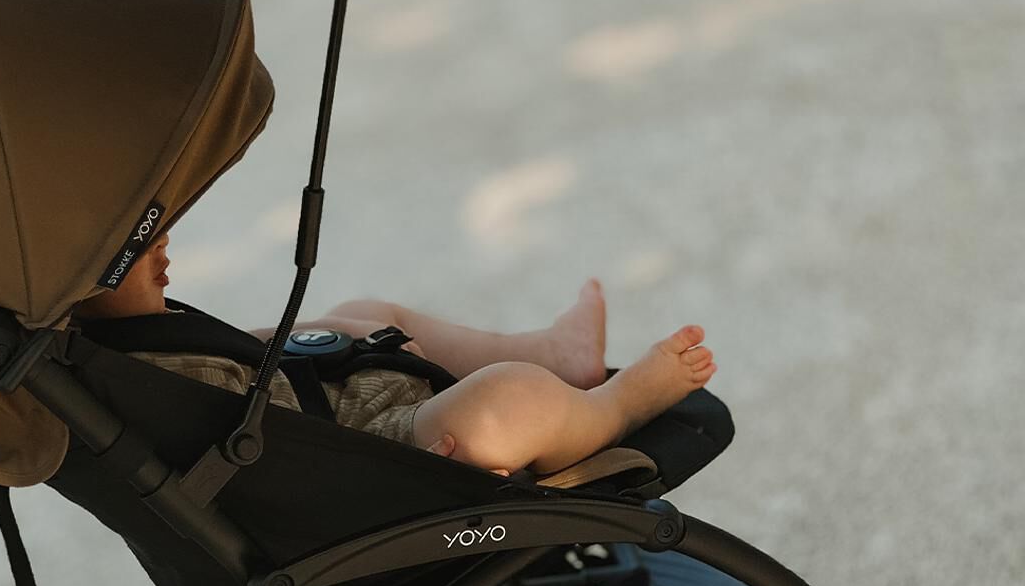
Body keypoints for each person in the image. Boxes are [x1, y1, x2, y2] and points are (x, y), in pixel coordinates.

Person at [81, 227, 715, 480]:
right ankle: (618, 405)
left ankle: (553, 351)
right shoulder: (143, 380)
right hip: (372, 456)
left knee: (366, 313)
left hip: (331, 408)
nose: (163, 242)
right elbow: (273, 457)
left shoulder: (121, 343)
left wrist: (348, 342)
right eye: (136, 242)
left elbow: (242, 358)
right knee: (506, 403)